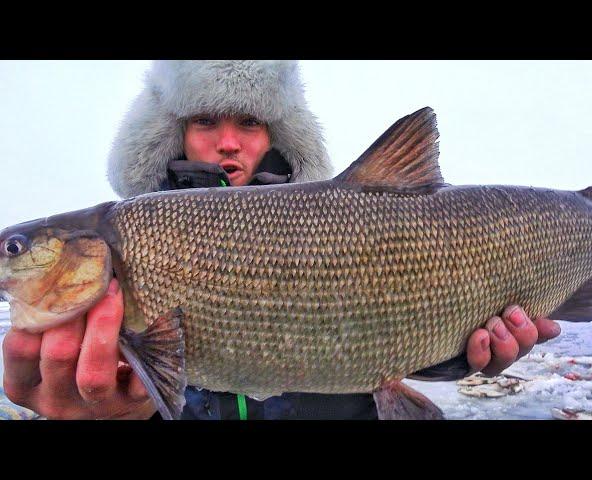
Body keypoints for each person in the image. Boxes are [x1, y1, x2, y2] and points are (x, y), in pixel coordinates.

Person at [2, 60, 562, 419]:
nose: (227, 142)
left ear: (276, 134)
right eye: (204, 121)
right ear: (172, 132)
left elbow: (396, 326)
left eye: (248, 121)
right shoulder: (131, 236)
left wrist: (450, 358)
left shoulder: (357, 217)